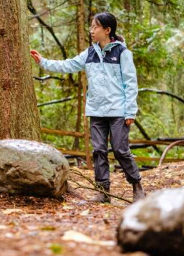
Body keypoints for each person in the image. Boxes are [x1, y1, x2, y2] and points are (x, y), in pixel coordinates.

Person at [30, 12, 145, 203]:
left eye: (95, 27)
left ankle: (137, 186)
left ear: (108, 30)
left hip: (118, 111)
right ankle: (103, 192)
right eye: (91, 26)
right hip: (96, 111)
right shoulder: (89, 53)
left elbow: (131, 84)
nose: (91, 30)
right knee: (99, 150)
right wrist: (43, 62)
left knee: (120, 150)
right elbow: (68, 65)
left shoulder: (122, 53)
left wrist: (130, 111)